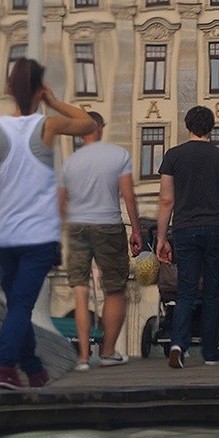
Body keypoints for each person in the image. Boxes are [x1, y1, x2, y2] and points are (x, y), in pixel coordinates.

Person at [0, 57, 96, 389]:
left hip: (2, 237)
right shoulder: (47, 126)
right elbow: (88, 123)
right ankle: (4, 368)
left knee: (16, 305)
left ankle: (33, 369)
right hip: (38, 236)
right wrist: (53, 101)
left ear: (8, 88)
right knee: (20, 306)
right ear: (39, 90)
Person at [59, 111, 142, 371]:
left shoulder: (69, 162)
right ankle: (107, 353)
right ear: (99, 127)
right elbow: (129, 196)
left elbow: (60, 203)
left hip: (76, 227)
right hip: (108, 225)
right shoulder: (118, 155)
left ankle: (83, 357)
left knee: (80, 290)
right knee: (115, 289)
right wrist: (136, 231)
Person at [154, 105, 219, 368]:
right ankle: (210, 353)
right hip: (214, 228)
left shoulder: (173, 156)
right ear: (211, 128)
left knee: (185, 291)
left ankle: (178, 345)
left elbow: (166, 200)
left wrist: (161, 238)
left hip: (184, 229)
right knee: (213, 293)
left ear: (187, 126)